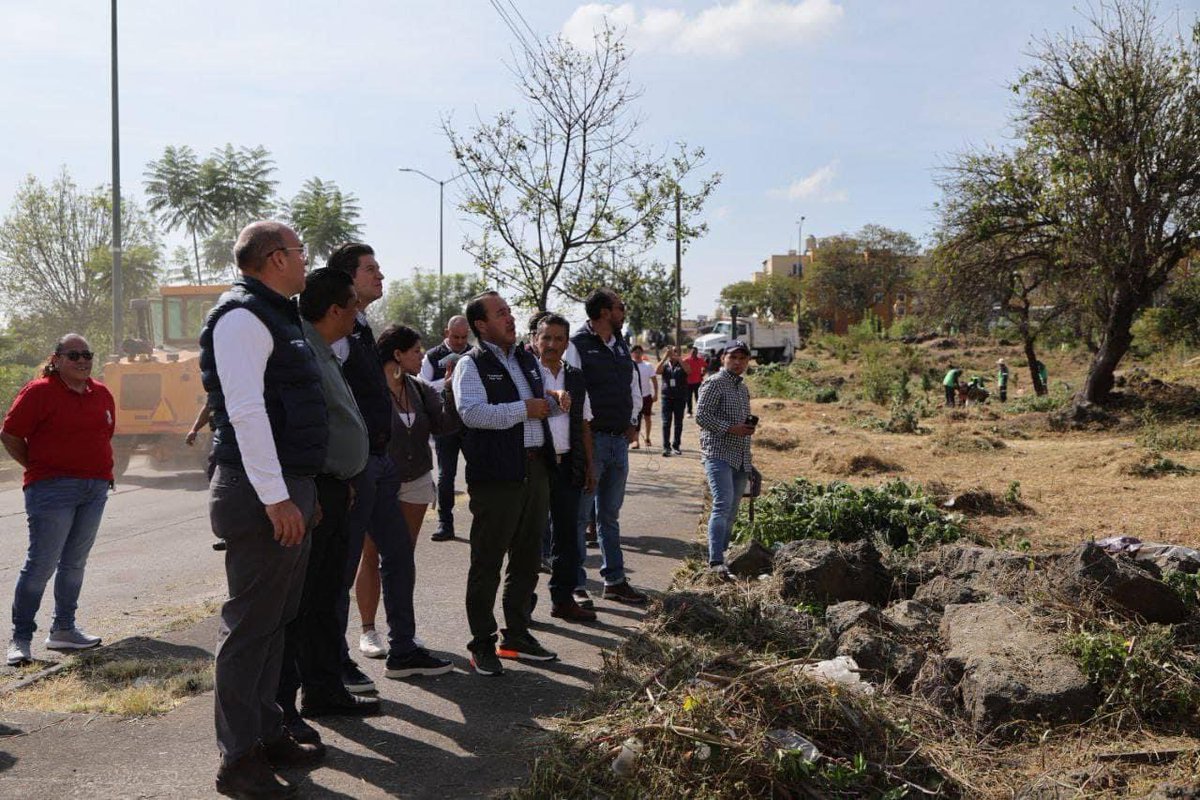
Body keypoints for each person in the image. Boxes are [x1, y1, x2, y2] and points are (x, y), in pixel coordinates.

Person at [199, 221, 327, 797]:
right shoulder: (242, 317)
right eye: (301, 253)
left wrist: (301, 492)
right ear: (275, 258)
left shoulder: (277, 313)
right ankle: (238, 759)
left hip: (284, 486)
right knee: (250, 627)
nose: (306, 261)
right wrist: (278, 497)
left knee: (276, 622)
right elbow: (248, 413)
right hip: (257, 492)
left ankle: (266, 731)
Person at [328, 243, 450, 691]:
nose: (381, 275)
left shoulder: (359, 326)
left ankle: (403, 650)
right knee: (342, 567)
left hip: (379, 465)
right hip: (354, 467)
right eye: (370, 269)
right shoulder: (334, 331)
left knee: (398, 556)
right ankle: (333, 662)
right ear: (347, 278)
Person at [276, 268, 377, 747]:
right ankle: (283, 711)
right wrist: (315, 487)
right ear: (335, 309)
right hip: (312, 493)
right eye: (353, 305)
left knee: (324, 602)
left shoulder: (326, 350)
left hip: (335, 490)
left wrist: (343, 478)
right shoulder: (299, 350)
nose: (359, 313)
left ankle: (323, 691)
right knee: (297, 608)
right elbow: (299, 429)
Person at [453, 291, 559, 675]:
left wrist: (552, 400)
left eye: (509, 312)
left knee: (528, 558)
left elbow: (537, 401)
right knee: (488, 561)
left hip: (534, 471)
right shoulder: (472, 365)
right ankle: (482, 643)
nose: (510, 318)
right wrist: (524, 409)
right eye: (501, 314)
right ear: (481, 325)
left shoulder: (527, 360)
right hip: (497, 476)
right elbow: (473, 413)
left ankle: (517, 633)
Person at [351, 324, 459, 672]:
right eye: (416, 350)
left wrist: (452, 390)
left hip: (415, 480)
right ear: (397, 354)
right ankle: (368, 630)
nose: (422, 356)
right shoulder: (369, 389)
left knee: (400, 560)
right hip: (379, 482)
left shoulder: (419, 388)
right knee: (371, 555)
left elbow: (443, 426)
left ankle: (403, 634)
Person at [3, 334, 113, 667]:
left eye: (87, 354)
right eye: (74, 355)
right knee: (41, 565)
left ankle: (63, 629)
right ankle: (21, 639)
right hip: (52, 489)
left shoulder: (102, 393)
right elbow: (9, 434)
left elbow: (104, 435)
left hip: (94, 489)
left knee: (74, 563)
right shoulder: (38, 392)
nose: (82, 360)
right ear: (57, 359)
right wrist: (39, 468)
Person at [567, 288, 648, 607]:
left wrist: (632, 422)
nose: (623, 311)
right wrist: (584, 437)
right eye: (620, 307)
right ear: (603, 312)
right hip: (592, 440)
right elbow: (573, 391)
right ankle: (575, 585)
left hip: (618, 440)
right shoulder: (577, 345)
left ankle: (614, 581)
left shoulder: (620, 345)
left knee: (609, 516)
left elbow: (633, 386)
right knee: (580, 515)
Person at [533, 313, 597, 623]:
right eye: (546, 338)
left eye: (558, 339)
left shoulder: (576, 377)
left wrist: (589, 465)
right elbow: (523, 401)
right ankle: (521, 609)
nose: (552, 344)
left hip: (568, 464)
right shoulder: (527, 373)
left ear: (566, 343)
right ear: (535, 339)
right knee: (529, 538)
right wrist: (552, 394)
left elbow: (584, 424)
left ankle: (563, 600)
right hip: (535, 465)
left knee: (568, 539)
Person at [695, 340, 756, 577]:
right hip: (718, 453)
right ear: (723, 359)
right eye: (733, 357)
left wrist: (745, 435)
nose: (738, 362)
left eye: (742, 358)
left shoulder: (742, 388)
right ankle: (715, 561)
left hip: (740, 456)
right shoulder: (714, 382)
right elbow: (701, 416)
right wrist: (731, 428)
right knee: (721, 505)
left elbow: (741, 424)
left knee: (732, 510)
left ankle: (723, 554)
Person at [419, 315, 472, 542]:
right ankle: (445, 523)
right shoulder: (432, 356)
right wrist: (447, 383)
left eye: (463, 337)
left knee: (479, 472)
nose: (460, 342)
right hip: (445, 423)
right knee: (446, 475)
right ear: (446, 333)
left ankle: (485, 523)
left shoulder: (474, 354)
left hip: (471, 423)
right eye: (455, 337)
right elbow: (421, 386)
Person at [657, 347, 689, 457]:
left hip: (679, 397)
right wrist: (665, 357)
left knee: (678, 423)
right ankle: (666, 447)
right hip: (667, 397)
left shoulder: (683, 364)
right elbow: (657, 371)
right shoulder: (666, 365)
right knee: (666, 422)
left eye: (675, 351)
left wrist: (679, 359)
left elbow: (689, 371)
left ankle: (676, 446)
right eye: (671, 352)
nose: (673, 353)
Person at [631, 345, 657, 449]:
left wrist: (656, 394)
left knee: (647, 418)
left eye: (639, 352)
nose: (637, 354)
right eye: (635, 352)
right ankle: (635, 440)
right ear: (632, 353)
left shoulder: (648, 365)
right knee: (635, 418)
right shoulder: (629, 365)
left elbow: (654, 380)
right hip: (634, 397)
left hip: (646, 396)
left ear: (642, 353)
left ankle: (647, 437)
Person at [683, 346, 706, 417]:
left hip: (697, 382)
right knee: (688, 397)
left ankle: (699, 412)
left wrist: (703, 373)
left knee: (698, 397)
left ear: (697, 353)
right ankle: (689, 412)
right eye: (692, 352)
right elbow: (681, 367)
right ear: (690, 352)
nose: (694, 353)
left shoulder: (700, 360)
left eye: (695, 352)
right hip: (688, 382)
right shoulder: (686, 360)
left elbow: (705, 366)